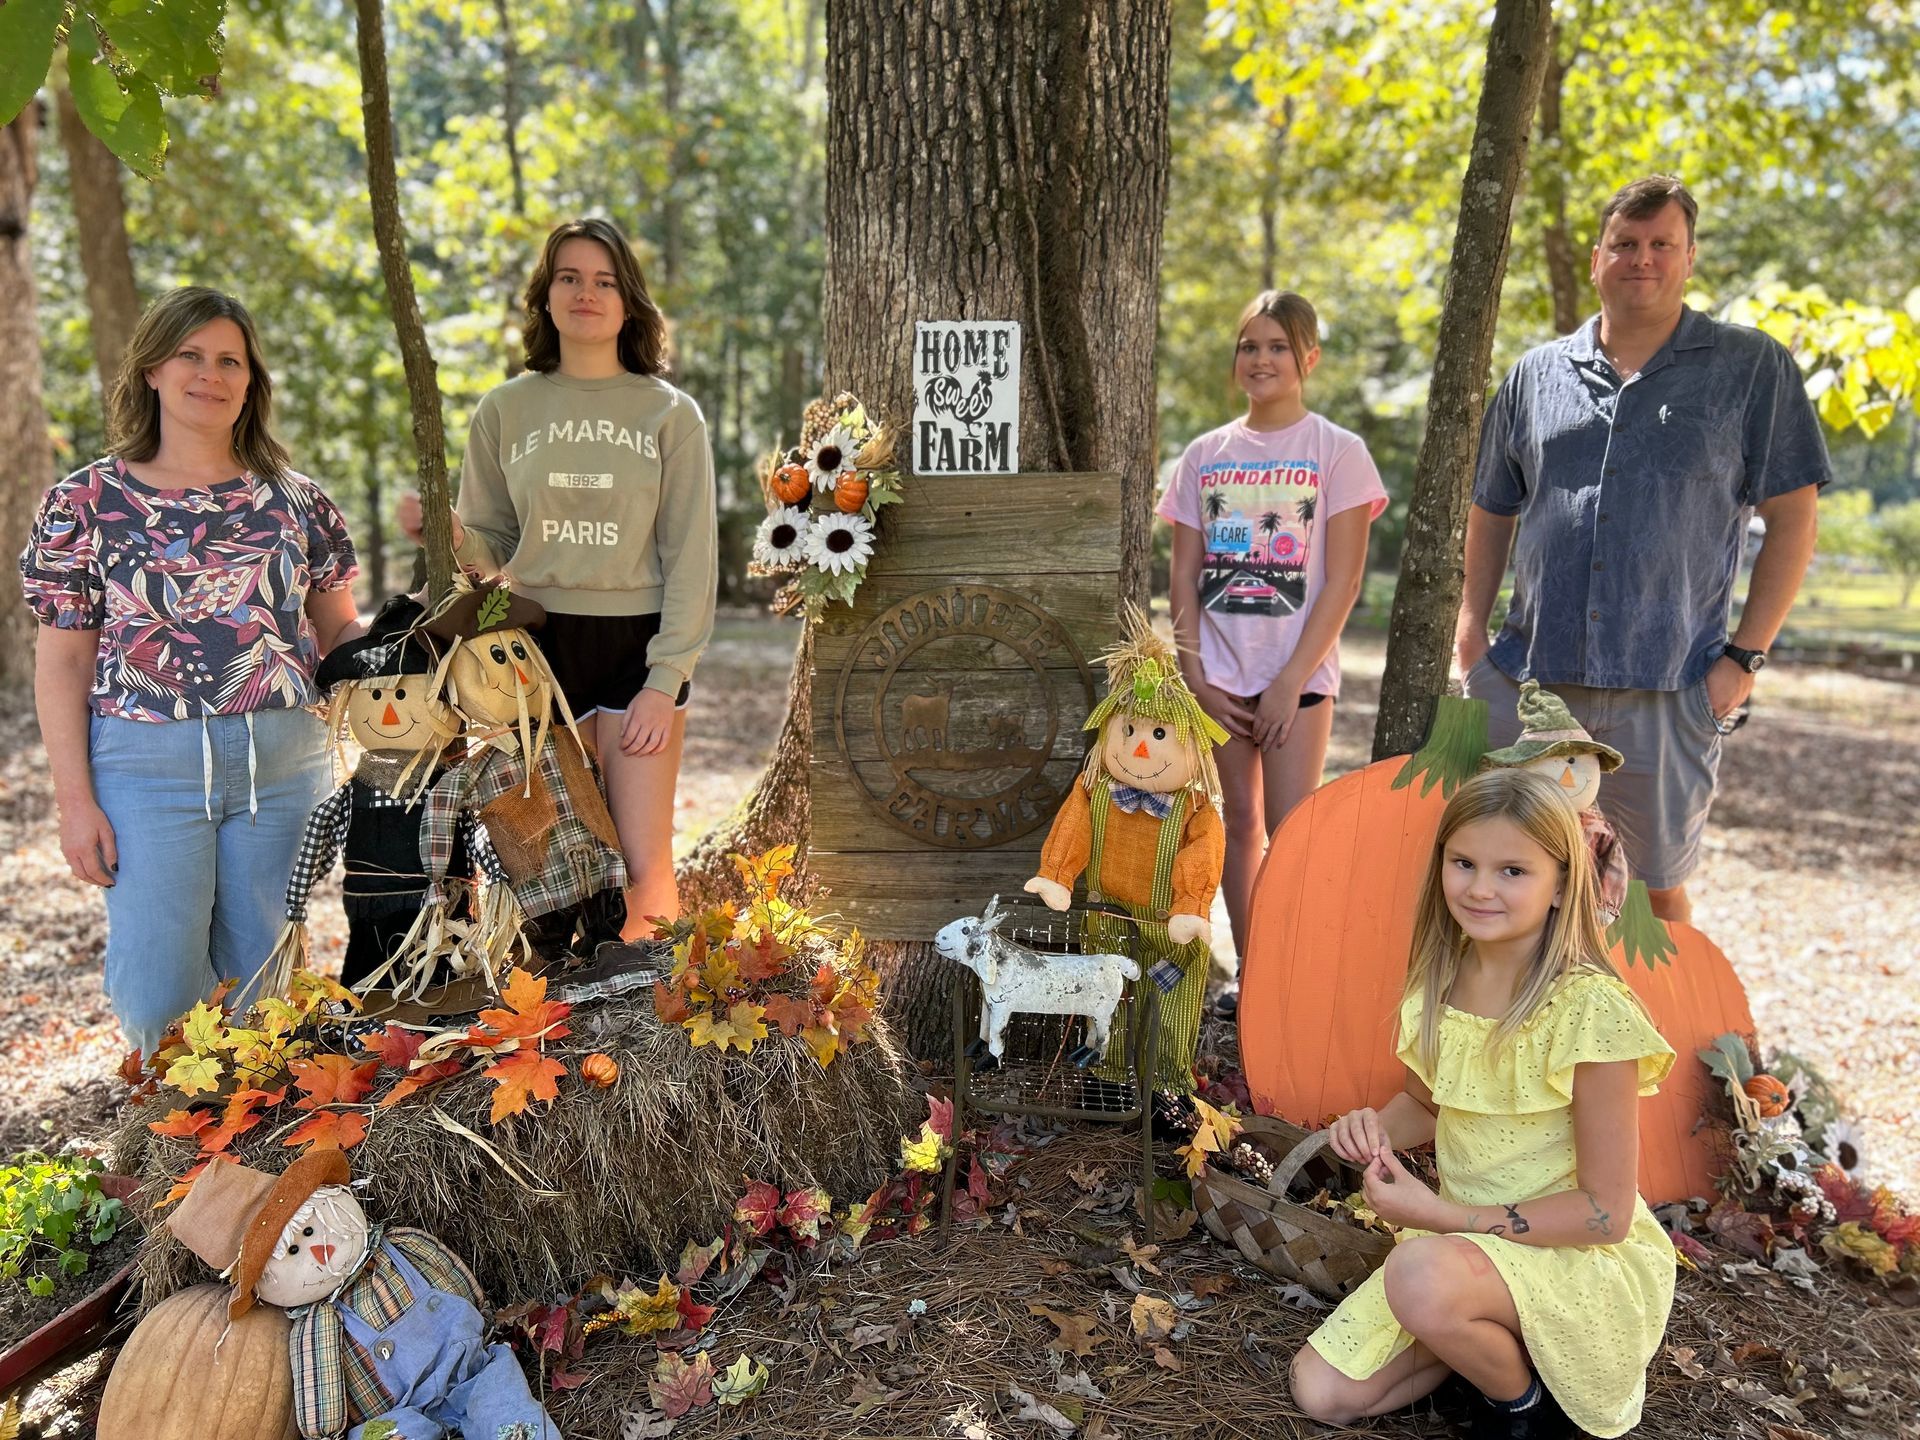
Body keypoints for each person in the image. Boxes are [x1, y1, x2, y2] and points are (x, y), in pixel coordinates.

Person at [1457, 174, 1829, 924]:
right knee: (1506, 876)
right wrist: (1471, 636)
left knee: (1654, 895)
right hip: (1532, 680)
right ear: (1597, 258)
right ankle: (1519, 1036)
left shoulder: (1751, 369)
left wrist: (1744, 660)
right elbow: (1492, 509)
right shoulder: (1535, 376)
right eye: (1626, 244)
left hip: (1672, 681)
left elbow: (1794, 520)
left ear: (1690, 258)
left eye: (1663, 244)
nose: (1643, 259)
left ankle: (1665, 1040)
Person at [20, 286, 362, 1059]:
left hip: (283, 764)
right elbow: (65, 657)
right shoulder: (85, 502)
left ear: (251, 382)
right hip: (147, 768)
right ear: (151, 370)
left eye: (230, 361)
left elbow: (339, 630)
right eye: (191, 356)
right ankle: (171, 1151)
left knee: (267, 987)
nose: (211, 374)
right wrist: (76, 803)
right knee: (156, 991)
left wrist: (433, 623)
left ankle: (260, 1158)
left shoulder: (298, 502)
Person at [1286, 770, 1676, 1440]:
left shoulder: (1589, 1011)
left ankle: (1526, 1412)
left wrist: (1440, 1216)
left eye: (1513, 871)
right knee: (1323, 1393)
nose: (1480, 888)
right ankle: (1492, 1344)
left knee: (1418, 1274)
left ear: (1562, 882)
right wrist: (1373, 1129)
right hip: (1465, 1250)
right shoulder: (1442, 976)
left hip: (1578, 1261)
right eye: (1463, 862)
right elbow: (1429, 1105)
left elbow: (1605, 1214)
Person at [400, 217, 716, 941]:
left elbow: (692, 554)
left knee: (643, 864)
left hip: (637, 648)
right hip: (534, 647)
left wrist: (665, 679)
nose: (586, 293)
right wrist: (445, 532)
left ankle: (655, 1031)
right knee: (547, 862)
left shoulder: (670, 414)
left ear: (628, 302)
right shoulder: (507, 408)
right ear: (545, 297)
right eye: (569, 278)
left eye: (605, 281)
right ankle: (560, 1024)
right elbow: (495, 545)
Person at [1158, 290, 1386, 992]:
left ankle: (1296, 978)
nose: (1262, 359)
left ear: (1308, 357)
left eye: (1278, 346)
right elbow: (1184, 577)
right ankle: (1255, 980)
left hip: (1299, 682)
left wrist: (1291, 680)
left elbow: (1344, 582)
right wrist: (1197, 677)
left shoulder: (1337, 452)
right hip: (1221, 681)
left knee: (1292, 831)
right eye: (1249, 346)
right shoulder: (1205, 455)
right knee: (1238, 825)